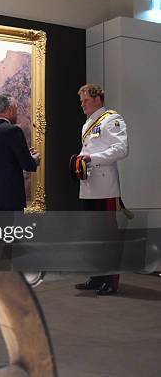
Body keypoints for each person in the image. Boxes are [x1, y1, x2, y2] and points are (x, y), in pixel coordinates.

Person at [73, 83, 128, 295]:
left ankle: (111, 281)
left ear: (97, 99)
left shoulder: (112, 119)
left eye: (86, 100)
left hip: (105, 188)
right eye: (81, 102)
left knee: (108, 236)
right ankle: (97, 277)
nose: (83, 105)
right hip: (89, 187)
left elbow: (121, 149)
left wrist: (91, 158)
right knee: (94, 236)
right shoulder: (87, 124)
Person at [0, 94, 40, 211]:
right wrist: (34, 159)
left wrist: (24, 155)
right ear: (10, 109)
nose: (17, 113)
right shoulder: (14, 131)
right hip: (10, 199)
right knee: (12, 230)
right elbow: (28, 165)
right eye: (16, 109)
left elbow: (1, 160)